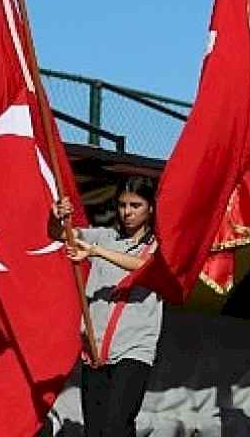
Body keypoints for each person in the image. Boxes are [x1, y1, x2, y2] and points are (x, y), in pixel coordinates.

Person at [56, 178, 162, 437]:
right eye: (123, 205)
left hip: (134, 349)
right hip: (95, 347)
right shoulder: (104, 236)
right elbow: (62, 234)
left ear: (150, 208)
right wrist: (57, 217)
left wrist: (96, 252)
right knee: (95, 430)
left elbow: (145, 267)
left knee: (117, 425)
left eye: (136, 205)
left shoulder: (159, 244)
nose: (127, 212)